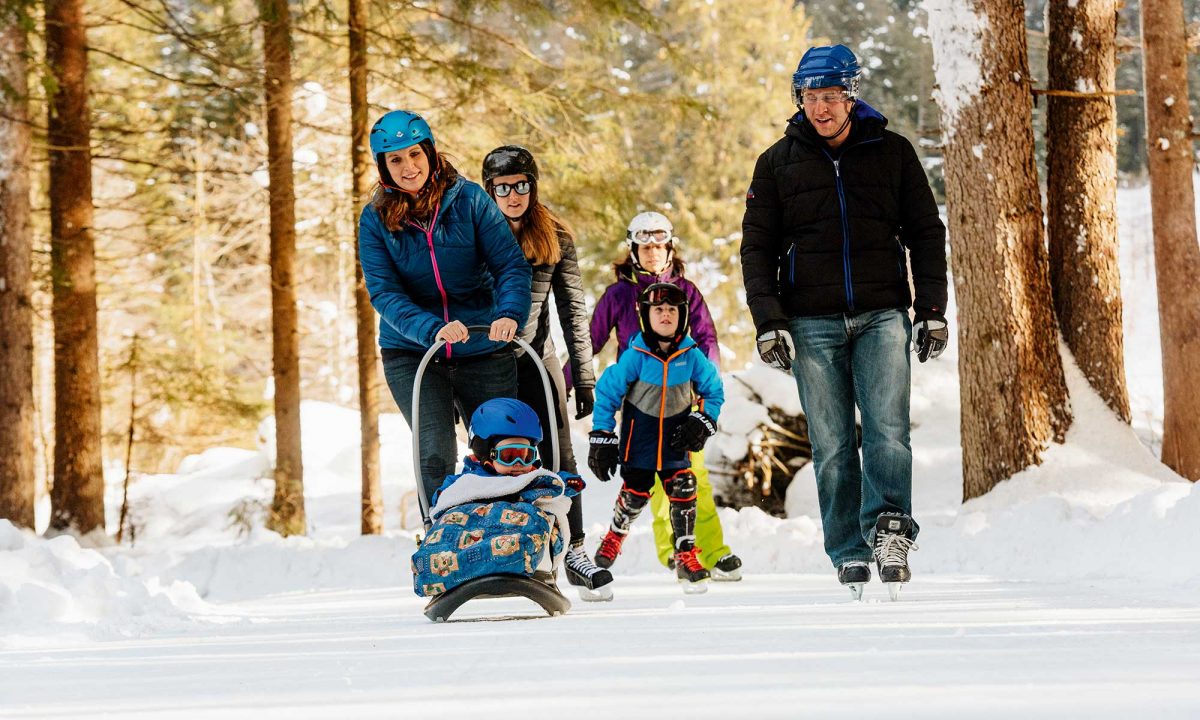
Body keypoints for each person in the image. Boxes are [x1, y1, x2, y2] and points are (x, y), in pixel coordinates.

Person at [739, 44, 949, 600]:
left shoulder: (894, 154)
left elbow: (926, 233)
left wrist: (930, 311)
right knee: (831, 442)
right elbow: (756, 249)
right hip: (811, 321)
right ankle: (848, 550)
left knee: (887, 432)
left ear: (851, 97)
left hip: (883, 313)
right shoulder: (777, 163)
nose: (821, 107)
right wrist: (769, 320)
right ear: (799, 99)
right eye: (811, 96)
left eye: (832, 95)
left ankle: (890, 531)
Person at [358, 110, 532, 508]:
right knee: (435, 450)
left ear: (431, 153)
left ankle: (506, 544)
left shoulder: (470, 200)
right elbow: (384, 293)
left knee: (502, 449)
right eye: (395, 160)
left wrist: (508, 313)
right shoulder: (374, 221)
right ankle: (442, 544)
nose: (408, 167)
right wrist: (431, 327)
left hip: (483, 343)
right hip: (414, 351)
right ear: (383, 167)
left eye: (415, 154)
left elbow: (510, 264)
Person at [480, 145, 612, 601]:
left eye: (522, 186)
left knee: (558, 452)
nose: (514, 196)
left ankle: (574, 548)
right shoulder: (477, 231)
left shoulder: (553, 233)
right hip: (488, 360)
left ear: (533, 187)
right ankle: (501, 549)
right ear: (489, 191)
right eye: (503, 188)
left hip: (538, 355)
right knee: (497, 454)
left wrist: (585, 375)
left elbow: (573, 310)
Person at [588, 211, 743, 581]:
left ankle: (711, 551)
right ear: (634, 249)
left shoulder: (687, 292)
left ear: (670, 247)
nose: (653, 252)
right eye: (645, 246)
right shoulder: (619, 295)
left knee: (692, 480)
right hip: (640, 403)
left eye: (660, 245)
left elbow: (706, 341)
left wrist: (705, 408)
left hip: (681, 402)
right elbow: (590, 342)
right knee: (650, 488)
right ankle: (674, 554)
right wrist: (564, 384)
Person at [587, 283, 725, 593]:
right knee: (636, 493)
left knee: (684, 486)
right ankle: (614, 536)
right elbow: (608, 392)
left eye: (672, 310)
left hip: (676, 440)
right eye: (658, 310)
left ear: (683, 316)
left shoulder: (690, 356)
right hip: (640, 441)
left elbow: (713, 390)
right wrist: (601, 435)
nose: (666, 315)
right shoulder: (635, 355)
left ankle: (686, 553)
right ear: (645, 317)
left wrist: (703, 419)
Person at [414, 398, 581, 598]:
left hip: (516, 531)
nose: (519, 463)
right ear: (486, 454)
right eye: (509, 455)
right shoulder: (469, 480)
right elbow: (445, 497)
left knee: (539, 520)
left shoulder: (534, 477)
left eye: (527, 455)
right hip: (473, 531)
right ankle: (446, 568)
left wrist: (567, 483)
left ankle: (520, 561)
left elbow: (555, 483)